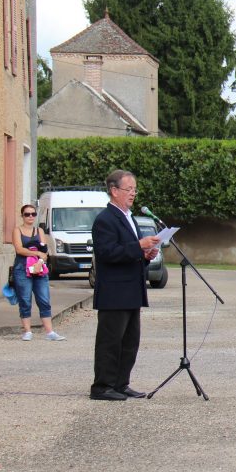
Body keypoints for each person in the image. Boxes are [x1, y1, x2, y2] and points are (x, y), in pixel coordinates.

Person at [90, 170, 160, 401]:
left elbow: (130, 250)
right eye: (128, 189)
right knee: (110, 341)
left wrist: (146, 254)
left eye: (134, 189)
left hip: (132, 289)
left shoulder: (129, 217)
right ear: (114, 191)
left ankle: (121, 383)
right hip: (114, 291)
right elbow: (107, 253)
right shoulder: (105, 219)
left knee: (130, 342)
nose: (133, 194)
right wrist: (139, 245)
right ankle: (102, 386)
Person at [12, 204, 63, 342]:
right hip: (22, 269)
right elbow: (19, 249)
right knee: (25, 300)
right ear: (22, 216)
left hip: (39, 269)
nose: (30, 217)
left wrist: (40, 259)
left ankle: (50, 331)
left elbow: (45, 250)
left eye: (33, 214)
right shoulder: (17, 230)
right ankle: (27, 331)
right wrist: (37, 253)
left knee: (44, 299)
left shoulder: (39, 230)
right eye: (27, 214)